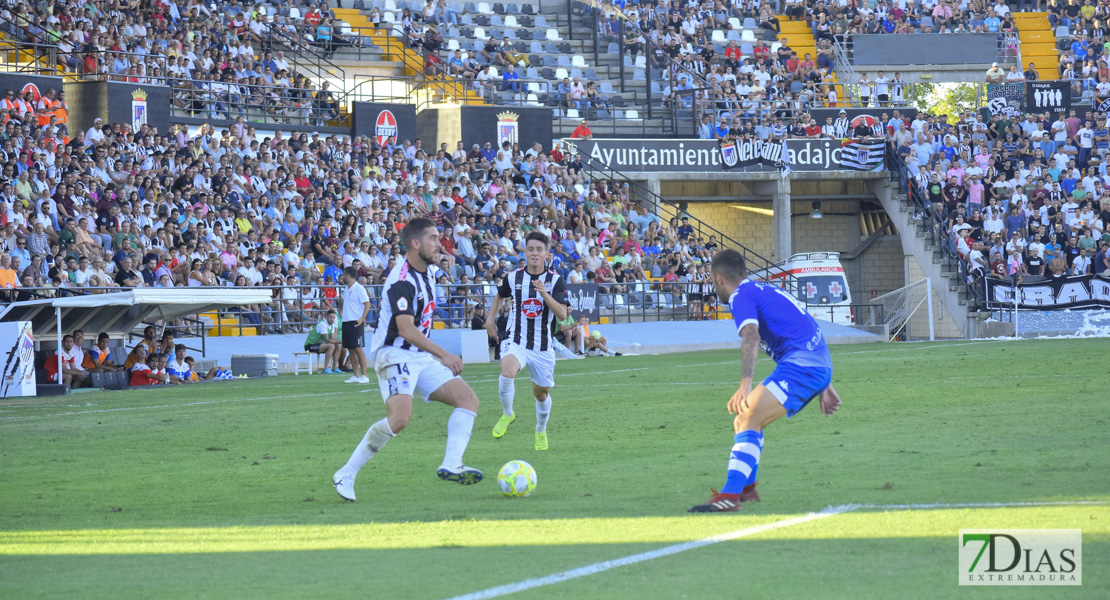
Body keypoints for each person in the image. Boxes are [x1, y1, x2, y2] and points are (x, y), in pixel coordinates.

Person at [332, 218, 484, 501]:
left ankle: (452, 463)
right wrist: (444, 354)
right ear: (416, 243)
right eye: (434, 239)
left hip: (419, 356)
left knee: (468, 400)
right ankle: (346, 473)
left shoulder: (427, 270)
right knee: (400, 419)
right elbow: (405, 329)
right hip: (394, 354)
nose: (440, 244)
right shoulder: (402, 280)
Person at [688, 249, 842, 513]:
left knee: (748, 417)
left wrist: (745, 383)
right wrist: (824, 384)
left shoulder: (740, 296)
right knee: (744, 420)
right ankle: (746, 490)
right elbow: (804, 326)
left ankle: (729, 496)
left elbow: (751, 335)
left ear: (718, 279)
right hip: (815, 362)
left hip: (804, 366)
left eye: (714, 283)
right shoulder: (764, 291)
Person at [485, 232, 568, 450]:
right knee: (507, 371)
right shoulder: (513, 277)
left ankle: (540, 431)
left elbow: (561, 315)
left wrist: (545, 294)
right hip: (516, 340)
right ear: (526, 251)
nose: (534, 253)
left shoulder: (555, 280)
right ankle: (507, 414)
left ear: (546, 254)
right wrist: (490, 320)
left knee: (541, 395)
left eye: (539, 250)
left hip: (542, 347)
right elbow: (499, 296)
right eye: (530, 249)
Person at [341, 265, 371, 384]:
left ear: (348, 275)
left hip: (355, 321)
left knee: (358, 348)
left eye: (343, 274)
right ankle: (356, 375)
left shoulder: (359, 288)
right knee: (351, 349)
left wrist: (362, 318)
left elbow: (367, 304)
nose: (342, 276)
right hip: (346, 321)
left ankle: (365, 376)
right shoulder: (346, 288)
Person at [305, 308, 343, 373]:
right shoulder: (323, 324)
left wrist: (339, 342)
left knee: (338, 346)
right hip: (309, 347)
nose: (332, 319)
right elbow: (327, 340)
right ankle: (326, 369)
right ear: (326, 317)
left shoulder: (332, 325)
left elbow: (333, 339)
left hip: (319, 345)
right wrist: (341, 341)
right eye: (330, 317)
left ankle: (335, 368)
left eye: (334, 317)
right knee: (331, 346)